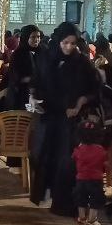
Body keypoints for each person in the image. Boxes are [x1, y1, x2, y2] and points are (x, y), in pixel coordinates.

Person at [30, 22, 102, 215]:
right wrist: (33, 98)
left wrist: (79, 104)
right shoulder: (46, 58)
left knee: (66, 161)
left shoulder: (82, 63)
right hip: (48, 117)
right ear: (58, 41)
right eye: (65, 43)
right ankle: (48, 195)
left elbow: (93, 90)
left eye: (73, 43)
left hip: (69, 120)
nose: (69, 47)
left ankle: (64, 204)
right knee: (44, 157)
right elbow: (36, 82)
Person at [73, 120, 108, 225]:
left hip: (81, 179)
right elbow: (105, 162)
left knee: (81, 198)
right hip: (95, 179)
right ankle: (92, 221)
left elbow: (74, 158)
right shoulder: (100, 150)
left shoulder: (79, 149)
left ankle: (81, 218)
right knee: (95, 199)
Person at [6, 25, 43, 109]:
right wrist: (33, 78)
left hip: (39, 92)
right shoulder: (18, 54)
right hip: (21, 93)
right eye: (33, 37)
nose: (36, 40)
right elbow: (15, 77)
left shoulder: (42, 51)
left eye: (38, 37)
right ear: (26, 38)